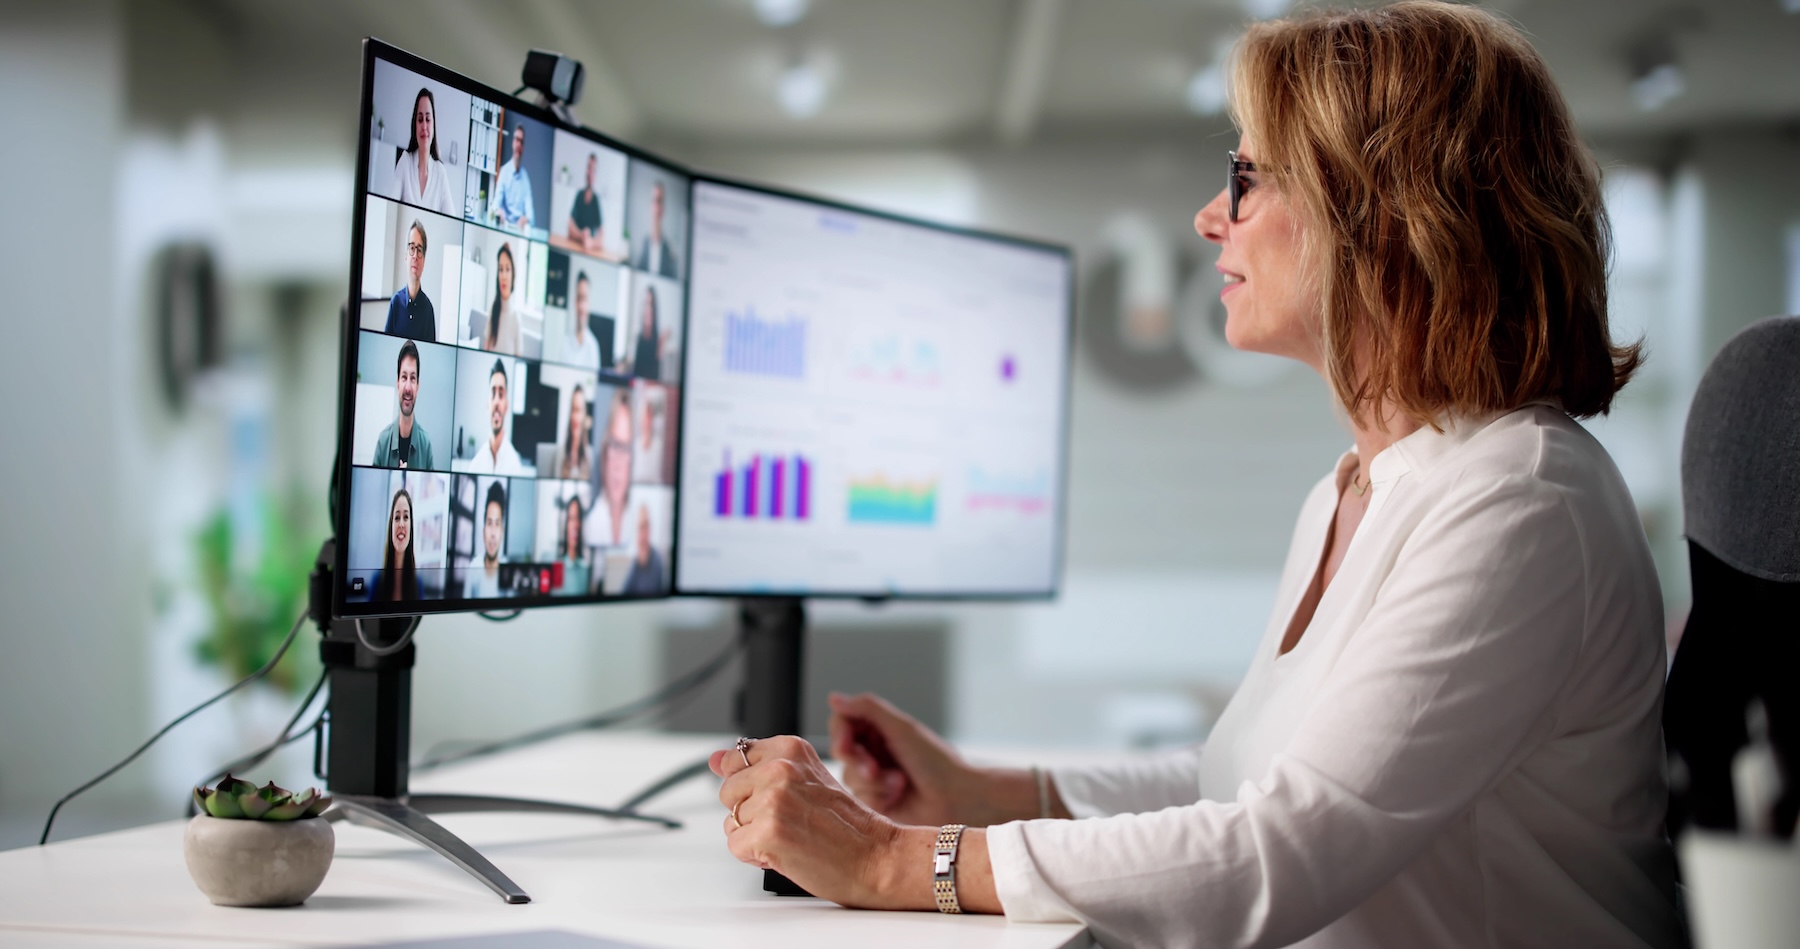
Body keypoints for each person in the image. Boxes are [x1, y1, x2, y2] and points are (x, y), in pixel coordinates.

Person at [704, 5, 1685, 948]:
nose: (1213, 216)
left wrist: (889, 860)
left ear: (1380, 214)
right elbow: (1246, 784)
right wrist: (985, 793)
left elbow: (1275, 852)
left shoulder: (1519, 501)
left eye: (1248, 178)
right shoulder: (1357, 488)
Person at [389, 88, 455, 216]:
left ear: (433, 124)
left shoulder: (440, 172)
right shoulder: (405, 161)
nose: (424, 126)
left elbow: (451, 218)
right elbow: (390, 208)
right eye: (420, 119)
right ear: (414, 125)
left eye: (428, 119)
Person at [371, 340, 435, 470]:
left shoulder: (426, 445)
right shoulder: (383, 441)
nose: (408, 388)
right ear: (398, 383)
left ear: (418, 386)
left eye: (413, 378)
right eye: (404, 377)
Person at [461, 359, 528, 476]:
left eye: (501, 395)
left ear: (506, 405)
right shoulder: (475, 466)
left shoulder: (515, 467)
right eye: (493, 393)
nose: (496, 401)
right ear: (488, 403)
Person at [588, 389, 633, 548]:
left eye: (625, 448)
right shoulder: (591, 526)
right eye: (614, 444)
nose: (617, 464)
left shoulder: (640, 523)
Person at [383, 221, 437, 341]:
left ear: (424, 260)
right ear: (406, 256)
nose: (415, 256)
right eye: (412, 248)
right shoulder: (395, 303)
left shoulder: (428, 309)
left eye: (419, 250)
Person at [369, 488, 420, 602]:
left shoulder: (418, 584)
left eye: (406, 517)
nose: (401, 524)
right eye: (397, 518)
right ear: (391, 526)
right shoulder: (377, 581)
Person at [462, 480, 508, 600]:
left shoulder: (507, 570)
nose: (493, 533)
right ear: (483, 530)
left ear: (502, 532)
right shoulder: (474, 568)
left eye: (497, 524)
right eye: (489, 523)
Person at [633, 181, 679, 279]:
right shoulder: (641, 245)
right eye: (654, 201)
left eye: (660, 201)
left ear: (664, 208)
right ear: (650, 206)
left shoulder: (670, 251)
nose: (657, 207)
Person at [493, 123, 534, 233]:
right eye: (517, 139)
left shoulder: (525, 177)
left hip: (519, 231)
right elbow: (495, 205)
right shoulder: (504, 172)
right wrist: (498, 211)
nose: (519, 144)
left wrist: (526, 219)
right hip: (503, 228)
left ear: (523, 147)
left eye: (522, 141)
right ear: (512, 142)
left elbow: (531, 216)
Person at [482, 242, 519, 355]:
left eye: (507, 269)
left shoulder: (515, 318)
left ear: (513, 274)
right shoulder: (493, 310)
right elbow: (486, 348)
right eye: (500, 269)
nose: (504, 276)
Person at [566, 152, 606, 256]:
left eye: (593, 170)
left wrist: (591, 242)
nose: (590, 173)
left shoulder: (596, 200)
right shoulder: (579, 195)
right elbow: (570, 227)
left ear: (596, 174)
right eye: (589, 168)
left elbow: (601, 237)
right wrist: (581, 235)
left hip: (588, 253)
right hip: (573, 250)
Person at [621, 505, 665, 595]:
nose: (643, 532)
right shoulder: (635, 561)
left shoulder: (657, 560)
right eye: (640, 527)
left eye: (646, 526)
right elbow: (624, 592)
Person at [564, 271, 601, 371]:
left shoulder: (593, 346)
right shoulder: (564, 342)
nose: (581, 306)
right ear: (574, 302)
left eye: (584, 299)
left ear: (589, 303)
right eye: (578, 298)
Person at [627, 285, 665, 381]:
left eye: (651, 304)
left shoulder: (659, 340)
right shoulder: (637, 337)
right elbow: (630, 369)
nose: (648, 309)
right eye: (645, 304)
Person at [554, 384, 592, 481]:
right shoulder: (561, 453)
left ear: (584, 414)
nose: (575, 417)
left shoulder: (590, 456)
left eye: (579, 410)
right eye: (573, 410)